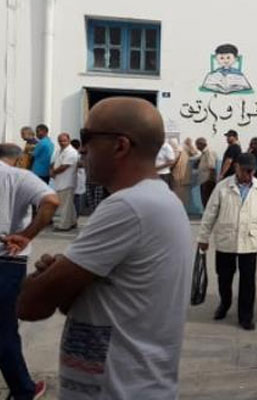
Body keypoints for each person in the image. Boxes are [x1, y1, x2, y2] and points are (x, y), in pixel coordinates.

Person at [17, 97, 193, 399]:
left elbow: (31, 306)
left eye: (86, 138)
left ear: (120, 146)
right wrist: (65, 278)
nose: (81, 149)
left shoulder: (128, 207)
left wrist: (47, 279)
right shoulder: (163, 201)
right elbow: (86, 301)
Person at [0, 143, 57, 400]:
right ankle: (23, 390)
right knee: (4, 329)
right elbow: (51, 201)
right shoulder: (19, 176)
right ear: (20, 159)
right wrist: (26, 236)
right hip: (8, 260)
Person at [198, 153, 257, 331]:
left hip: (249, 240)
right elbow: (210, 214)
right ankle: (224, 304)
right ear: (236, 168)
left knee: (248, 281)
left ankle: (246, 316)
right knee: (224, 277)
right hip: (227, 239)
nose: (249, 176)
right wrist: (203, 238)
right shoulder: (222, 187)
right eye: (245, 171)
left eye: (252, 172)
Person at [50, 132, 80, 231]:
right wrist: (51, 170)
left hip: (67, 181)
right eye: (60, 141)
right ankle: (72, 222)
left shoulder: (72, 152)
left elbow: (64, 166)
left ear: (69, 140)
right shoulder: (59, 150)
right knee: (68, 204)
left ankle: (63, 225)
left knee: (64, 205)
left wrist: (54, 172)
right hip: (59, 181)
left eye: (64, 140)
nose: (62, 142)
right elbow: (53, 162)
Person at [171, 138, 196, 208]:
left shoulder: (182, 151)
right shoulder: (181, 151)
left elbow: (195, 153)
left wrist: (190, 145)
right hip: (180, 178)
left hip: (180, 178)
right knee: (180, 197)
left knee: (180, 197)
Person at [196, 137, 218, 207]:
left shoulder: (209, 152)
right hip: (204, 180)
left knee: (207, 200)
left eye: (197, 145)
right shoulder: (203, 153)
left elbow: (212, 167)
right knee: (205, 199)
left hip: (208, 180)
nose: (196, 147)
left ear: (201, 144)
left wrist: (210, 180)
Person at [71, 139, 87, 218]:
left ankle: (75, 216)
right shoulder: (78, 155)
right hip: (77, 179)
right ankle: (75, 216)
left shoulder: (78, 155)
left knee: (75, 198)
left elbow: (81, 165)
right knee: (75, 198)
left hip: (77, 179)